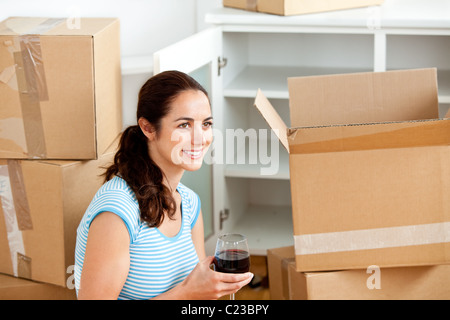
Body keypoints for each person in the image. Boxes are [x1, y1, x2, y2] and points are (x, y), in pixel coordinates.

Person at [74, 70, 253, 300]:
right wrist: (186, 294)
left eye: (206, 124)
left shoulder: (189, 203)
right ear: (148, 128)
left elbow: (198, 292)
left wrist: (211, 290)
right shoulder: (117, 210)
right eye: (184, 125)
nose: (201, 138)